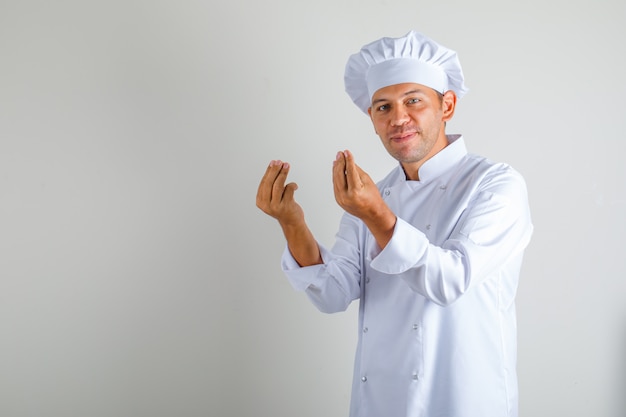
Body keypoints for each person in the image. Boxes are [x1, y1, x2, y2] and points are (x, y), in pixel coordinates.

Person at [256, 30, 533, 417]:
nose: (398, 118)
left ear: (447, 104)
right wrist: (292, 222)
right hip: (379, 402)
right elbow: (334, 293)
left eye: (413, 101)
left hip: (462, 398)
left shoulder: (495, 185)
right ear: (372, 118)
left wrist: (375, 215)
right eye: (382, 107)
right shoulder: (376, 193)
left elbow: (450, 280)